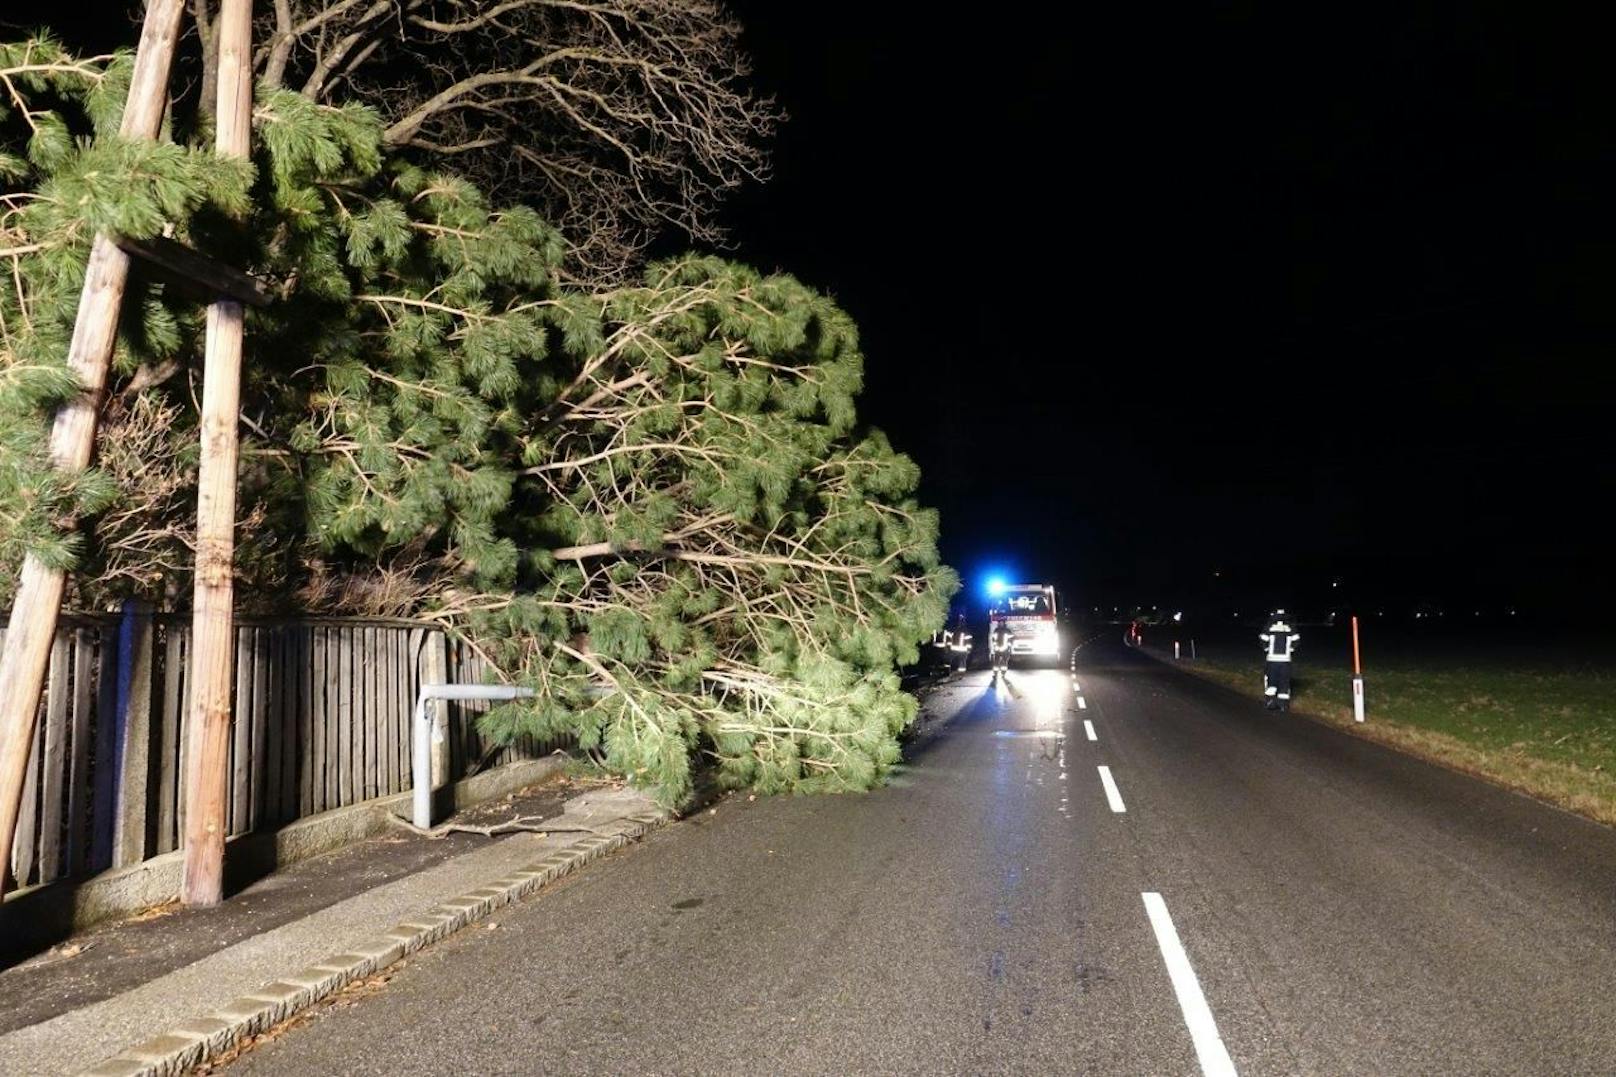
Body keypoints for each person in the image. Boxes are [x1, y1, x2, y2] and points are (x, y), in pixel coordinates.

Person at [1259, 609, 1300, 710]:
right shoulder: (1291, 628)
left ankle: (1270, 702)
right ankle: (1283, 705)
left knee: (1271, 682)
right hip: (1285, 661)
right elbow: (1296, 640)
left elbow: (1263, 640)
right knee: (1284, 682)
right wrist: (1291, 649)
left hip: (1272, 660)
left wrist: (1267, 649)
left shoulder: (1269, 627)